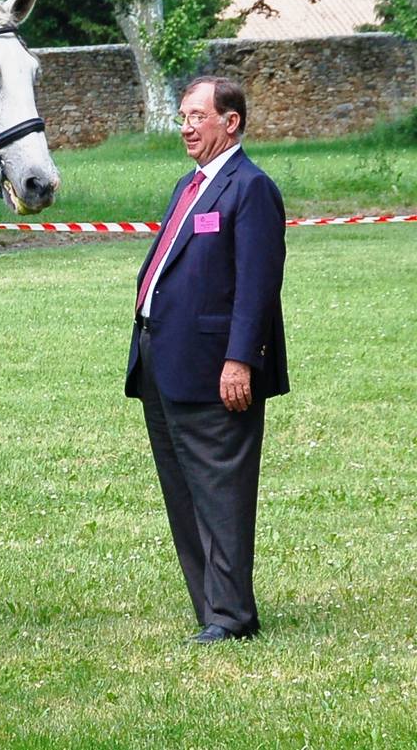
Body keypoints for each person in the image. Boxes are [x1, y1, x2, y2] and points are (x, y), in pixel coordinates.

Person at [126, 75, 287, 644]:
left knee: (221, 493)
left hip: (217, 369)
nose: (187, 128)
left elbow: (258, 287)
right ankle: (211, 608)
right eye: (183, 117)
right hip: (162, 361)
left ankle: (232, 617)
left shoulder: (251, 188)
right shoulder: (189, 185)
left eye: (197, 116)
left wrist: (240, 360)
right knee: (183, 493)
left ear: (230, 122)